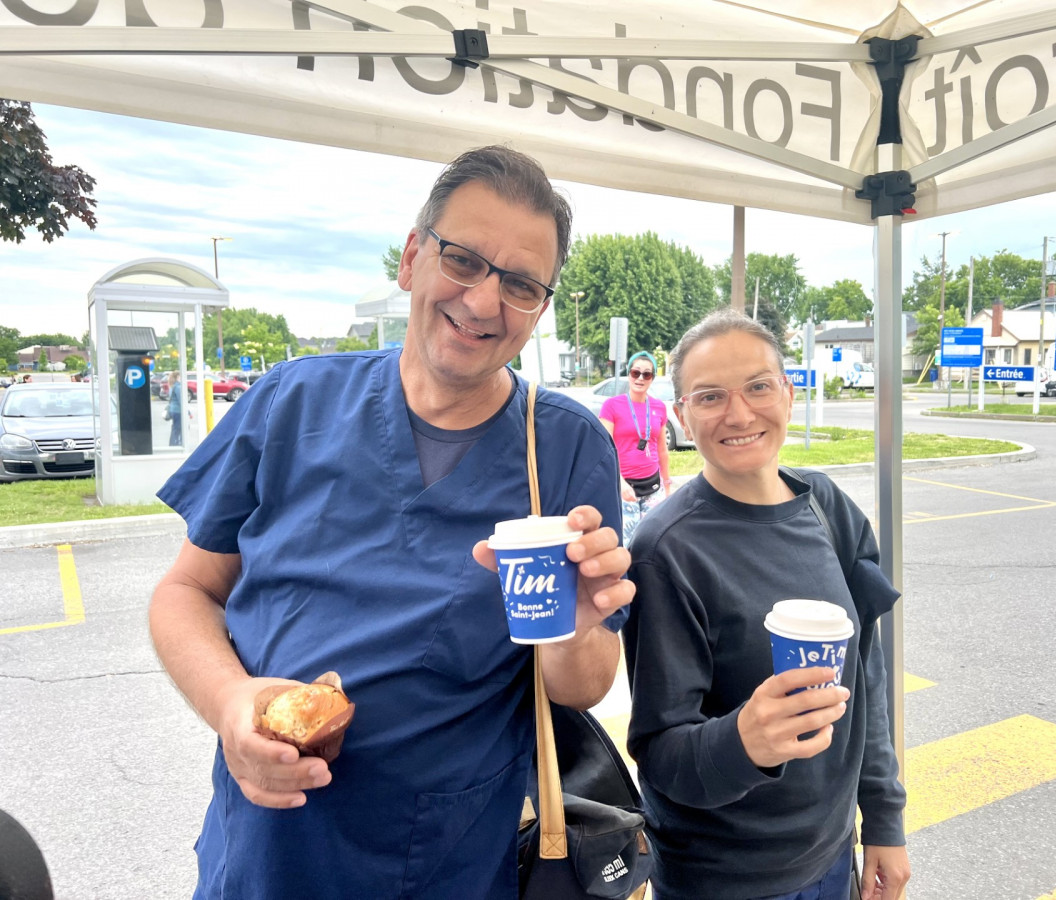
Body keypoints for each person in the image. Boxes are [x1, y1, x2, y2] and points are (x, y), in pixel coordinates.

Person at [149, 145, 633, 899]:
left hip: (442, 863)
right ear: (412, 258)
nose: (482, 302)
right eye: (464, 260)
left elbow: (584, 684)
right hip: (264, 854)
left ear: (540, 308)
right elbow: (187, 591)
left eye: (520, 284)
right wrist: (231, 703)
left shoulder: (564, 446)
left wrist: (572, 627)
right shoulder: (290, 403)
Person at [622, 309, 910, 900]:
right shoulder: (665, 551)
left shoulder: (828, 508)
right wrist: (743, 742)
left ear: (788, 391)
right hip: (723, 879)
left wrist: (884, 819)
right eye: (709, 397)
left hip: (833, 856)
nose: (739, 413)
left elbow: (866, 679)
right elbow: (659, 753)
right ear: (680, 417)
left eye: (758, 386)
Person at [599, 350, 672, 542]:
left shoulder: (659, 407)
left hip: (653, 485)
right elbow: (604, 450)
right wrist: (620, 482)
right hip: (624, 487)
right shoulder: (612, 406)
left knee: (652, 541)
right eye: (635, 373)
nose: (640, 378)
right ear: (629, 374)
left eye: (646, 374)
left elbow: (663, 450)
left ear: (652, 378)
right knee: (626, 543)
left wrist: (667, 485)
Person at [166, 371, 183, 446]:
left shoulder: (172, 386)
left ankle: (172, 443)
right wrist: (188, 412)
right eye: (180, 377)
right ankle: (175, 444)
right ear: (177, 377)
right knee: (178, 428)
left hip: (173, 410)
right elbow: (182, 401)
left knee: (175, 428)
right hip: (178, 411)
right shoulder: (178, 387)